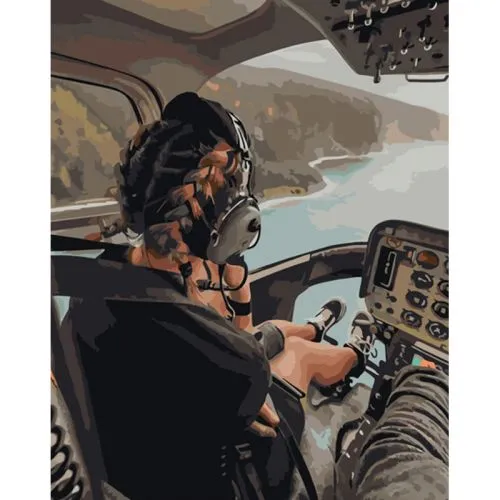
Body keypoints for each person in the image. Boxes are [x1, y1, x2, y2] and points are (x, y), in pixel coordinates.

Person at [64, 92, 448, 500]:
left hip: (144, 458)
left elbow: (214, 346)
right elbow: (244, 345)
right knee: (301, 356)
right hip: (240, 475)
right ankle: (356, 351)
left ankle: (315, 325)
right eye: (228, 186)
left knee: (280, 332)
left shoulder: (91, 285)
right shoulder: (235, 361)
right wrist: (236, 286)